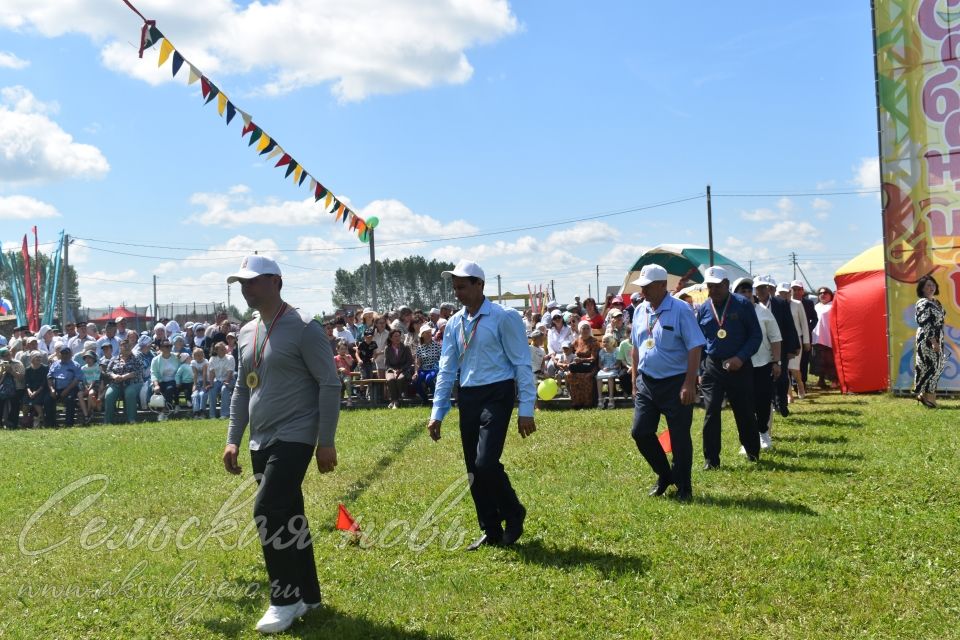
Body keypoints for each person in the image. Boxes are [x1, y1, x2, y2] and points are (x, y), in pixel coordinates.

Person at [222, 255, 341, 634]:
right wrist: (232, 440)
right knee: (289, 513)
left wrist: (326, 441)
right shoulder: (246, 331)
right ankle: (308, 594)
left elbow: (330, 383)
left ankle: (284, 600)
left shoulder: (305, 327)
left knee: (267, 510)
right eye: (242, 282)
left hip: (296, 434)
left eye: (252, 281)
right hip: (261, 437)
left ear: (276, 281)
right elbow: (243, 388)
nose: (245, 288)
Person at [427, 259, 536, 551]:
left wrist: (526, 409)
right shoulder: (454, 323)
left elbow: (522, 363)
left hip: (497, 393)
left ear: (480, 285)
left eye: (462, 286)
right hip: (469, 396)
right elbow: (447, 369)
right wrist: (437, 412)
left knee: (486, 462)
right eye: (455, 287)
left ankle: (514, 512)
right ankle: (490, 528)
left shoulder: (504, 317)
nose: (457, 292)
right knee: (473, 468)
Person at [629, 264, 704, 501]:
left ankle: (684, 486)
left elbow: (695, 346)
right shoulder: (640, 310)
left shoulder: (681, 309)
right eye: (641, 287)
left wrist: (689, 383)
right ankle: (665, 474)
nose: (643, 292)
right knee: (640, 432)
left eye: (647, 287)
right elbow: (635, 347)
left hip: (676, 382)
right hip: (647, 382)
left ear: (662, 286)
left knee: (680, 436)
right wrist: (634, 381)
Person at [696, 266, 763, 468]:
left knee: (743, 410)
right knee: (711, 410)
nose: (713, 290)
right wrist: (700, 370)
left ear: (726, 284)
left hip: (739, 366)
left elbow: (755, 335)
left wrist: (740, 358)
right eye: (710, 286)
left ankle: (752, 451)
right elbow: (699, 340)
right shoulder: (703, 309)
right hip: (712, 366)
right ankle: (711, 459)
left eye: (717, 286)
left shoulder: (742, 304)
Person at [734, 278, 782, 451]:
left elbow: (775, 337)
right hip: (739, 365)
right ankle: (747, 440)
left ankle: (763, 432)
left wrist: (776, 361)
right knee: (744, 404)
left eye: (749, 290)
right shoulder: (731, 312)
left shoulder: (762, 311)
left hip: (762, 363)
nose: (747, 294)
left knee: (762, 400)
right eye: (742, 291)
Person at [754, 276, 800, 417]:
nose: (761, 291)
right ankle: (773, 402)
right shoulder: (751, 305)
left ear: (768, 288)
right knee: (766, 379)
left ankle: (782, 403)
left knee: (782, 377)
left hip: (780, 346)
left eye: (763, 287)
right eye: (758, 288)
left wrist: (793, 347)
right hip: (760, 348)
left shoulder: (780, 303)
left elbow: (789, 325)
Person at [913, 275, 946, 408]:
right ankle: (929, 399)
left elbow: (941, 320)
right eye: (928, 285)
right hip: (927, 338)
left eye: (933, 284)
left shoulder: (936, 302)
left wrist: (941, 338)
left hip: (938, 337)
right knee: (932, 367)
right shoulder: (922, 303)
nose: (931, 287)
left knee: (936, 366)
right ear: (922, 288)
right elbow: (925, 323)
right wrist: (933, 341)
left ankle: (925, 396)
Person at [778, 282, 810, 401]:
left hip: (796, 341)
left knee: (794, 368)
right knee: (784, 369)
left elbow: (804, 323)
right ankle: (789, 394)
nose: (783, 295)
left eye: (786, 293)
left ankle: (800, 384)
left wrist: (806, 341)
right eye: (781, 293)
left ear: (789, 293)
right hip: (781, 341)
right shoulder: (777, 305)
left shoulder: (797, 304)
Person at [103, 341, 145, 424]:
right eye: (124, 346)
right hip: (116, 383)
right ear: (120, 348)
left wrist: (124, 377)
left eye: (128, 346)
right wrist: (114, 376)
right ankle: (108, 421)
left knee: (130, 392)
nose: (126, 348)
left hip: (133, 383)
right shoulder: (114, 359)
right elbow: (108, 371)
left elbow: (138, 371)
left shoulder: (136, 358)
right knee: (109, 395)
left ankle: (131, 419)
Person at [44, 346, 83, 427]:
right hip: (55, 388)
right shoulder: (55, 364)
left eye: (66, 353)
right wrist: (51, 389)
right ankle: (50, 424)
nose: (64, 355)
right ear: (60, 354)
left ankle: (69, 424)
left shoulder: (76, 365)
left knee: (69, 400)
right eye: (63, 353)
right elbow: (49, 377)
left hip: (70, 388)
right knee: (47, 399)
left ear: (70, 354)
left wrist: (66, 390)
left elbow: (76, 380)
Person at [567, 321, 600, 408]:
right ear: (579, 330)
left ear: (590, 330)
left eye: (587, 328)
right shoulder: (577, 340)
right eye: (583, 328)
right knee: (570, 375)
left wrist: (581, 360)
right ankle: (577, 402)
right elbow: (568, 351)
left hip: (591, 367)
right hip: (580, 367)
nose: (585, 330)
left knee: (586, 377)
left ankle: (588, 403)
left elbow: (593, 358)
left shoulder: (594, 342)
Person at [791, 280, 818, 385]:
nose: (796, 292)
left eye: (799, 289)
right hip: (791, 336)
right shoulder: (786, 303)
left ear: (803, 291)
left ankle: (803, 382)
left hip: (805, 337)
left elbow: (815, 319)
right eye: (794, 289)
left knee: (804, 360)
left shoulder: (808, 303)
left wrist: (808, 329)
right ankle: (792, 383)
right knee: (791, 360)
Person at [811, 287, 837, 389]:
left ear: (830, 295)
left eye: (825, 292)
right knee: (819, 361)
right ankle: (821, 380)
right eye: (820, 293)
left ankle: (834, 380)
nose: (823, 294)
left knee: (831, 360)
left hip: (830, 337)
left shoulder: (834, 305)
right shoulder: (816, 306)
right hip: (817, 338)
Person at [384, 328, 414, 409]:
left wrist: (401, 370)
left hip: (403, 369)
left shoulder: (406, 347)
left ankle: (395, 401)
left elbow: (409, 362)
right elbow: (386, 364)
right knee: (391, 379)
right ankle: (395, 401)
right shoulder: (387, 348)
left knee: (400, 379)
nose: (397, 338)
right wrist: (393, 370)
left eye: (399, 336)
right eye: (395, 336)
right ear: (391, 338)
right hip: (391, 370)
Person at [151, 339, 180, 417]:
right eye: (167, 346)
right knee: (156, 390)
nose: (169, 348)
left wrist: (181, 355)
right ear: (161, 348)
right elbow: (154, 374)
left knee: (169, 389)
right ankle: (163, 411)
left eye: (170, 346)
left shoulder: (176, 357)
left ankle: (164, 412)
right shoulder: (155, 360)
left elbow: (187, 357)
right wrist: (156, 385)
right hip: (160, 381)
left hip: (174, 380)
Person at [413, 325, 441, 404]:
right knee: (416, 380)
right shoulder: (420, 348)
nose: (429, 334)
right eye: (427, 333)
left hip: (434, 368)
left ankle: (436, 397)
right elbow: (418, 362)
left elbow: (441, 359)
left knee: (429, 379)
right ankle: (425, 399)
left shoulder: (437, 346)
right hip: (424, 369)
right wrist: (415, 372)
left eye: (430, 332)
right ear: (422, 335)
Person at [208, 341, 235, 419]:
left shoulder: (230, 358)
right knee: (212, 390)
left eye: (224, 349)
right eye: (222, 349)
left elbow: (230, 372)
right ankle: (212, 415)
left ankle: (224, 414)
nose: (224, 350)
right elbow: (212, 373)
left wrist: (226, 382)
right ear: (216, 351)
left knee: (224, 389)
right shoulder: (212, 359)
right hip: (218, 380)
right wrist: (211, 384)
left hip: (230, 380)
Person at [595, 334, 622, 409]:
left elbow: (618, 364)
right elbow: (599, 364)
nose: (605, 343)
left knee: (610, 377)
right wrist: (603, 368)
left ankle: (611, 398)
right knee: (598, 377)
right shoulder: (601, 351)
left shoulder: (617, 350)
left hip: (614, 368)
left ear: (612, 342)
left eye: (607, 341)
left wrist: (610, 368)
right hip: (604, 369)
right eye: (603, 342)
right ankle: (600, 399)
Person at [79, 350, 103, 424]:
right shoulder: (83, 368)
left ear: (94, 359)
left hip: (95, 385)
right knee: (79, 394)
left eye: (90, 358)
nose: (88, 360)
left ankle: (89, 412)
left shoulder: (97, 367)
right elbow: (83, 379)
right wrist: (86, 387)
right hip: (85, 386)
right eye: (86, 358)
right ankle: (85, 414)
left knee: (90, 393)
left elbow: (95, 379)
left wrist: (89, 388)